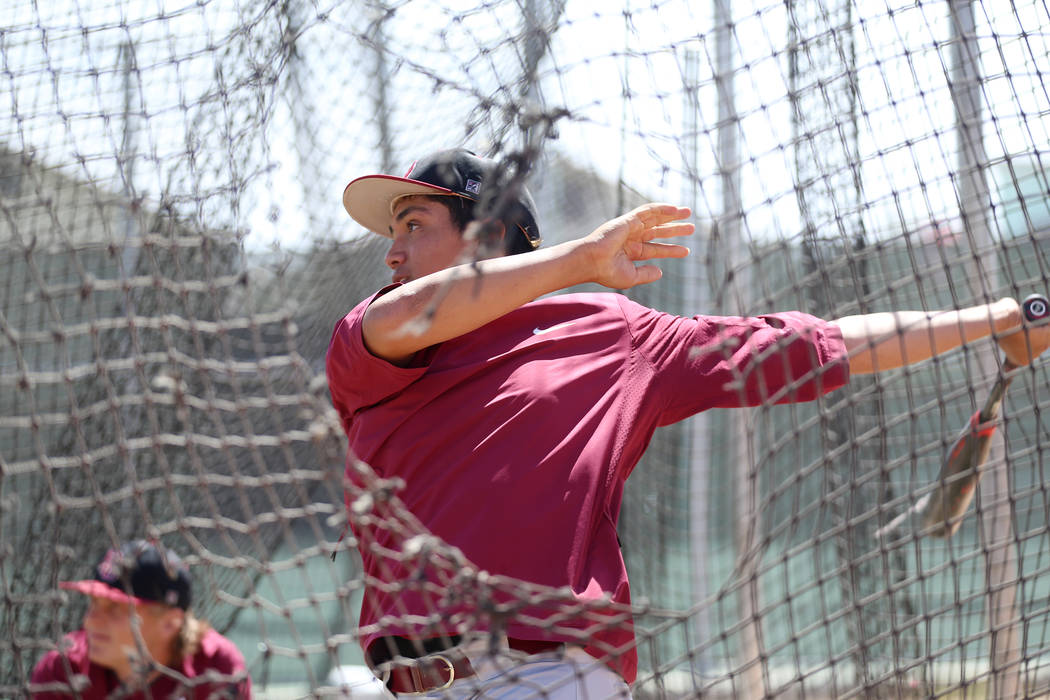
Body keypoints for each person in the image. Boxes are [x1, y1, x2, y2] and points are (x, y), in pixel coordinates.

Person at [326, 148, 1049, 698]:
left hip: (550, 676)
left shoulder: (615, 334)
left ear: (487, 237)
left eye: (414, 225)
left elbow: (815, 346)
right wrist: (578, 258)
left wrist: (991, 320)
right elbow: (411, 314)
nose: (392, 250)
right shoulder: (372, 342)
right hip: (416, 679)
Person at [30, 540, 252, 699]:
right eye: (94, 603)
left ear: (170, 623)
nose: (90, 622)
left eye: (114, 609)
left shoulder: (215, 668)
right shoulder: (63, 669)